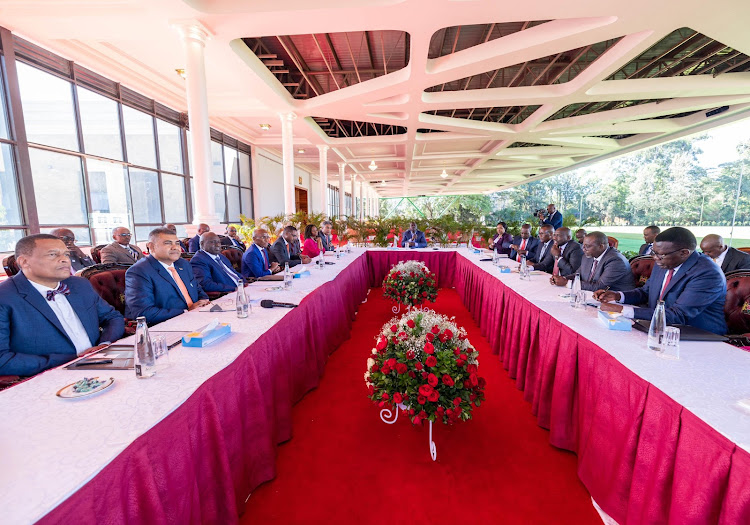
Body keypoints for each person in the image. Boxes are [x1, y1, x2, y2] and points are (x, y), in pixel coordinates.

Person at [0, 234, 124, 377]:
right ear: (24, 262)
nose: (65, 259)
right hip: (48, 376)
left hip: (102, 364)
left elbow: (112, 317)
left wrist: (104, 344)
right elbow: (2, 360)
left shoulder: (80, 284)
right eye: (53, 254)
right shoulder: (5, 297)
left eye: (66, 254)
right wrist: (72, 360)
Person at [595, 227, 727, 335]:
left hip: (698, 336)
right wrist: (618, 296)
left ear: (684, 253)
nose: (655, 258)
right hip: (658, 328)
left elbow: (678, 314)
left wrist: (622, 309)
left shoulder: (707, 274)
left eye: (660, 255)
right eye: (654, 252)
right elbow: (645, 292)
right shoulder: (666, 262)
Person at [125, 227, 209, 325]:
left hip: (199, 318)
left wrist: (204, 302)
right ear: (151, 247)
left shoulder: (183, 264)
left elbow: (198, 290)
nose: (175, 247)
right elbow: (144, 313)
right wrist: (186, 311)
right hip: (169, 325)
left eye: (177, 243)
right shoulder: (139, 271)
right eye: (168, 243)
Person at [550, 231, 634, 291]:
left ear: (601, 246)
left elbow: (600, 287)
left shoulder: (616, 261)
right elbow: (578, 274)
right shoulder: (589, 255)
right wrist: (562, 279)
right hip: (592, 296)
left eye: (587, 246)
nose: (583, 249)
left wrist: (566, 282)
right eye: (583, 245)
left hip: (616, 302)